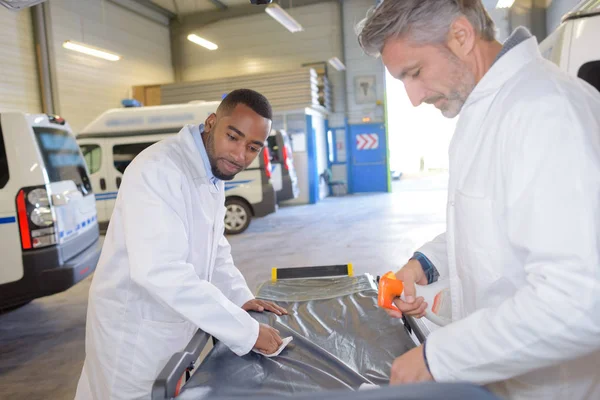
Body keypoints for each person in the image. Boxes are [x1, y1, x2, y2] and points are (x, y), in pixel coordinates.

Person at [357, 1, 600, 399]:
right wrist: (422, 266)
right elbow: (496, 220)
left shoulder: (546, 111)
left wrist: (439, 358)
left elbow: (580, 298)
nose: (414, 98)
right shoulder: (491, 109)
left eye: (415, 73)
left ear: (461, 35)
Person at [75, 89, 288, 399]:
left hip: (172, 330)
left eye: (253, 148)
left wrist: (239, 297)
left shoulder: (211, 173)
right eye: (233, 137)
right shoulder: (159, 170)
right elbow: (162, 271)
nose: (240, 156)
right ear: (212, 122)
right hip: (134, 336)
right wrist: (248, 332)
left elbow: (214, 251)